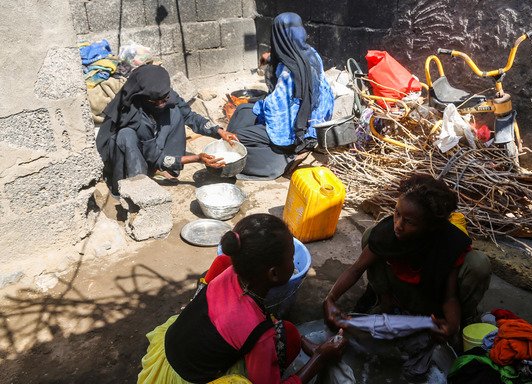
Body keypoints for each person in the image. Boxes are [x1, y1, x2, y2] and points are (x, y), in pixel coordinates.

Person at [138, 214, 347, 384]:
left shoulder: (224, 267)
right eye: (291, 259)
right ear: (273, 274)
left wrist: (304, 341)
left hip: (172, 358)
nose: (293, 263)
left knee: (287, 333)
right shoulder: (259, 333)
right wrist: (320, 357)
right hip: (189, 379)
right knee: (287, 337)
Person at [323, 174, 492, 343]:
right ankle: (386, 304)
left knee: (479, 264)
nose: (398, 225)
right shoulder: (389, 233)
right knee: (371, 236)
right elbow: (355, 269)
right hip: (399, 290)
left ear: (429, 227)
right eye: (397, 213)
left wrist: (452, 325)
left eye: (409, 222)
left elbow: (449, 296)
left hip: (432, 298)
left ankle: (461, 322)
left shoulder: (447, 245)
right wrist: (330, 299)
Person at [95, 64, 238, 194]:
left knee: (174, 110)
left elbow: (189, 116)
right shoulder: (135, 116)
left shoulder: (163, 93)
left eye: (164, 98)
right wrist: (197, 158)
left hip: (146, 143)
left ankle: (162, 168)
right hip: (123, 151)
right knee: (127, 135)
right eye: (156, 101)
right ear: (143, 97)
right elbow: (154, 156)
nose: (162, 103)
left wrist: (218, 131)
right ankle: (136, 187)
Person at [227, 12, 334, 180]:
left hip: (295, 131)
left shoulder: (288, 71)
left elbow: (276, 108)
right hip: (314, 123)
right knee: (242, 110)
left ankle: (277, 162)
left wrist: (258, 105)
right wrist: (270, 57)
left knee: (238, 135)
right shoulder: (311, 54)